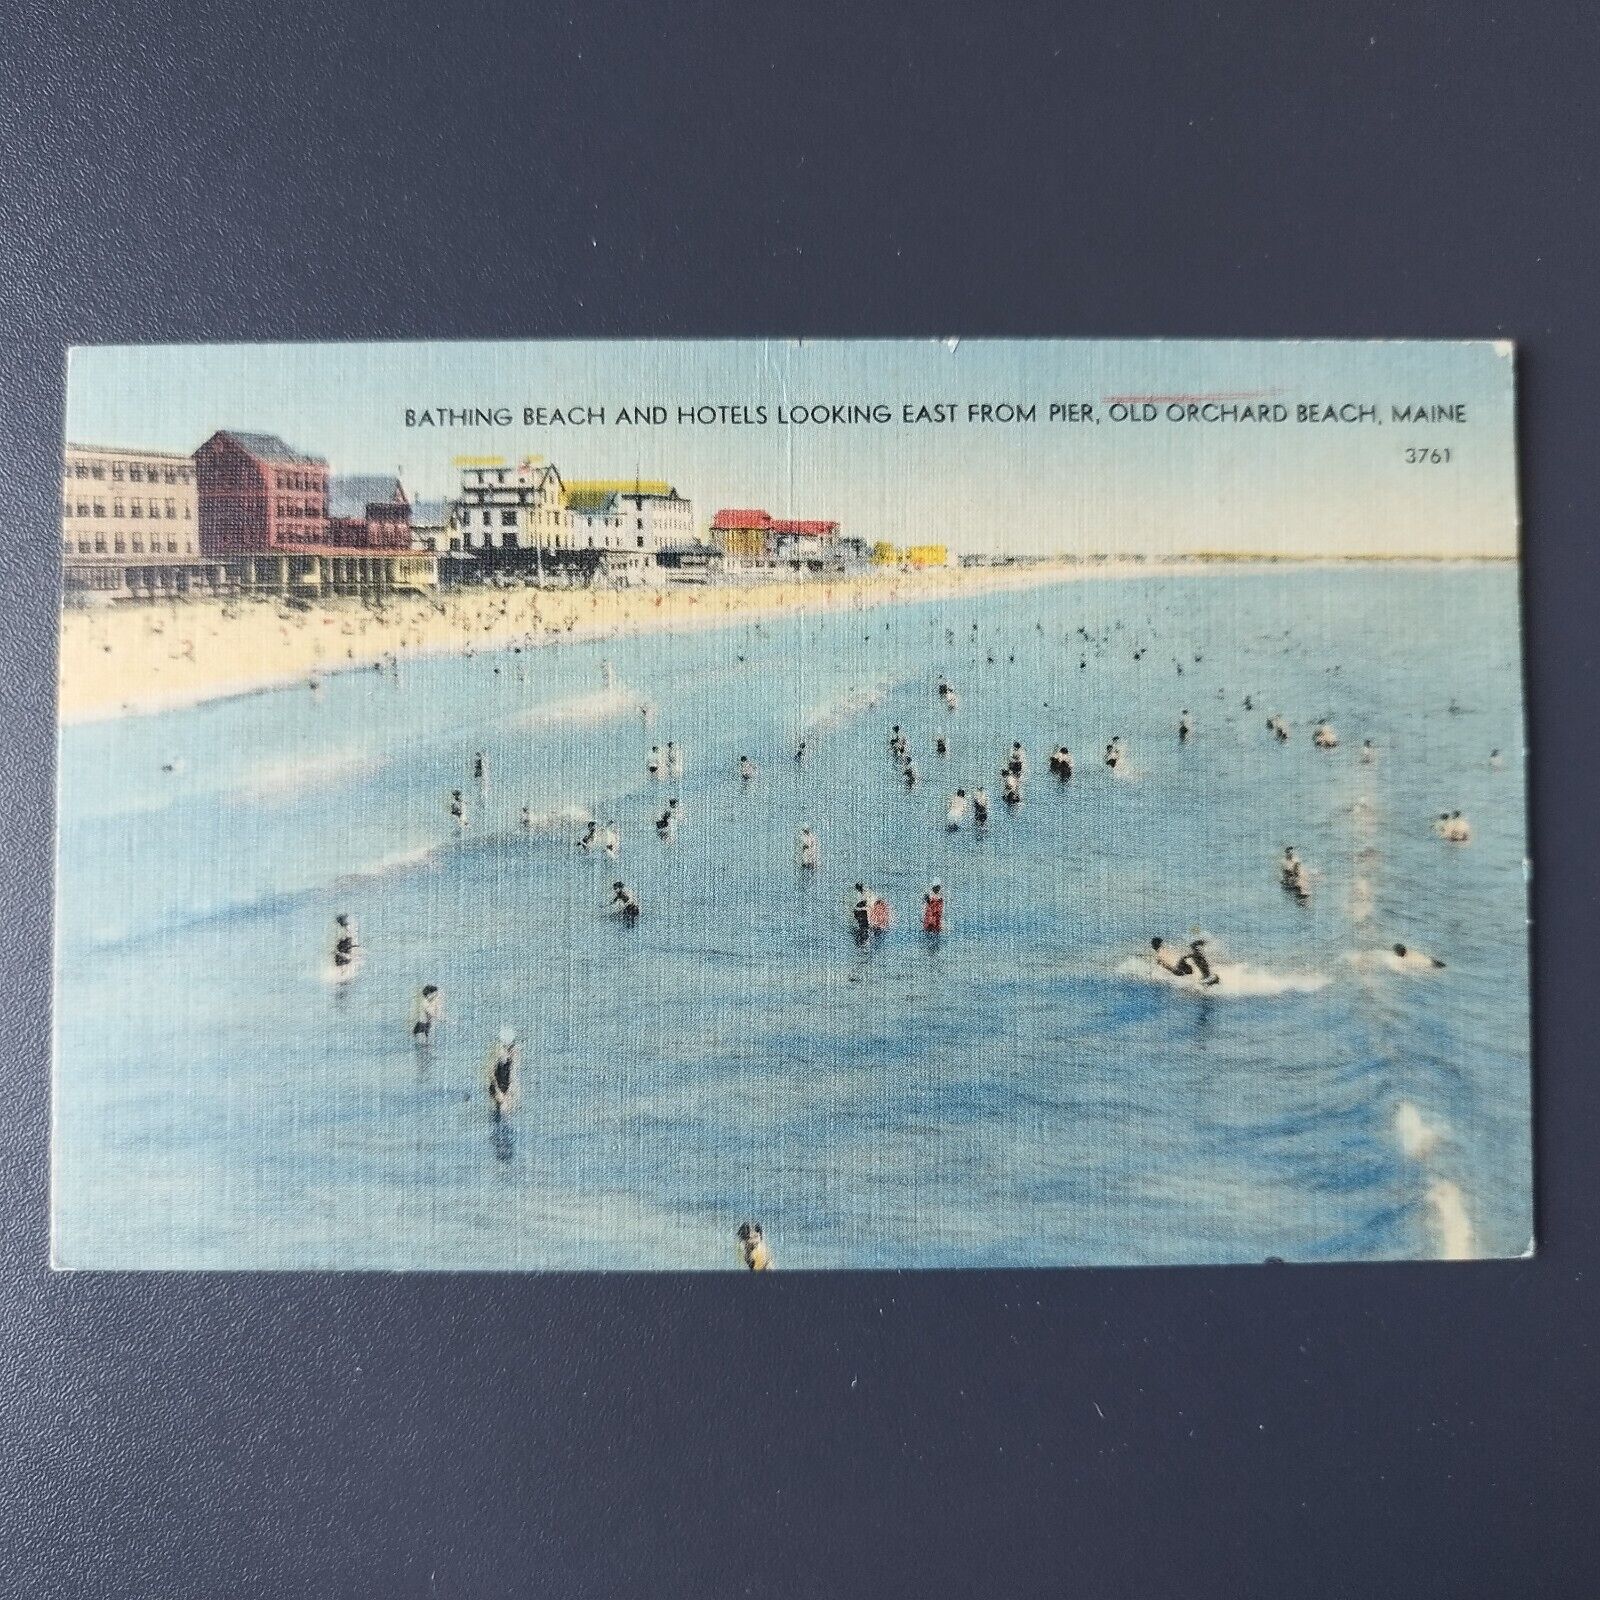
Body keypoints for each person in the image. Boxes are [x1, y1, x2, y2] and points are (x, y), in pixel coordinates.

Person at [487, 1027, 518, 1115]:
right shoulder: (497, 1052)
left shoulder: (514, 1052)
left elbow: (513, 1073)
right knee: (501, 1111)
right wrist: (498, 1090)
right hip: (497, 1085)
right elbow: (491, 1073)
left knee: (508, 1111)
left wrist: (512, 1089)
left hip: (506, 1085)